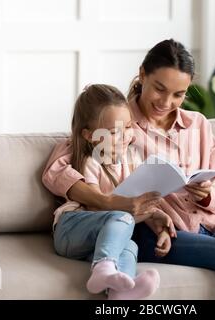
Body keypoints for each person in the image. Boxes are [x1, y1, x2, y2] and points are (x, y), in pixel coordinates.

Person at [42, 39, 215, 300]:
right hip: (163, 231)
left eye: (178, 94)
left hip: (210, 224)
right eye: (159, 89)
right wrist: (107, 201)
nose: (166, 102)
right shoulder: (120, 122)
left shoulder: (198, 124)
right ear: (142, 75)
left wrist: (207, 193)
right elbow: (60, 166)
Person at [51, 84, 177, 300]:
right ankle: (103, 268)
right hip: (71, 228)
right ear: (90, 135)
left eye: (128, 127)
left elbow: (134, 204)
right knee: (123, 218)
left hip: (94, 238)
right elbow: (95, 206)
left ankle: (120, 293)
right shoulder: (91, 162)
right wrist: (136, 211)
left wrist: (157, 217)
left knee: (129, 246)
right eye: (113, 132)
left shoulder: (130, 161)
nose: (125, 136)